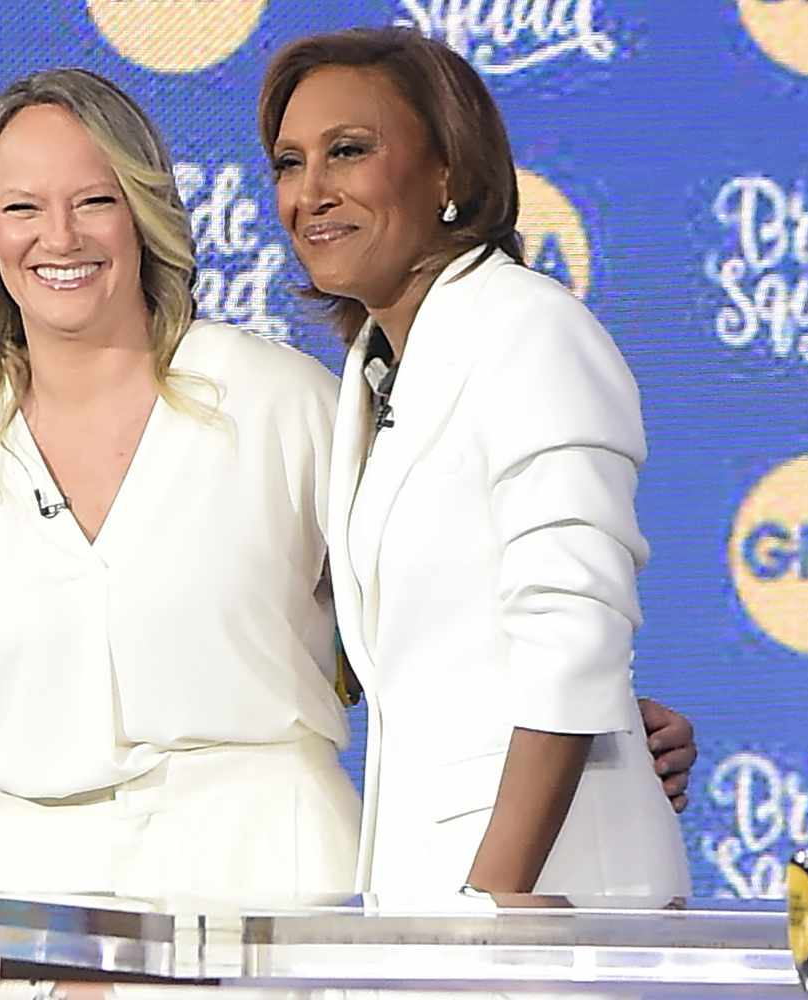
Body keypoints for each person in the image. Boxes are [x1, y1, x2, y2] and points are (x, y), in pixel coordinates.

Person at [0, 67, 697, 979]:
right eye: (23, 207)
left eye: (94, 200)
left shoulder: (284, 401)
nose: (58, 238)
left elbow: (433, 612)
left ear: (143, 212)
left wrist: (594, 726)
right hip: (32, 904)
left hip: (275, 887)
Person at [260, 28, 693, 900]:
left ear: (449, 172)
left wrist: (487, 911)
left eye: (349, 151)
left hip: (535, 895)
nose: (312, 192)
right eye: (288, 162)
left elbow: (572, 634)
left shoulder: (529, 330)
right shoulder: (377, 373)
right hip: (430, 891)